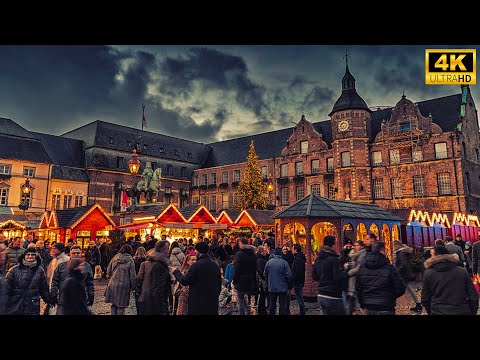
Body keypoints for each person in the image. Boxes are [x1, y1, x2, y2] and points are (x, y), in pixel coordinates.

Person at [421, 245, 478, 315]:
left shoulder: (428, 273)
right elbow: (473, 296)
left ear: (434, 256)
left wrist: (431, 311)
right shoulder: (462, 271)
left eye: (431, 255)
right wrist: (472, 311)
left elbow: (425, 298)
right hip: (461, 310)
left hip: (438, 310)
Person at [171, 241, 222, 315]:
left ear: (199, 251)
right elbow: (219, 284)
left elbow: (184, 280)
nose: (194, 252)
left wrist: (175, 272)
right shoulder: (215, 265)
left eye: (195, 250)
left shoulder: (197, 265)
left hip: (198, 303)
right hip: (212, 303)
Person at [356, 241, 406, 315]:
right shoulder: (389, 268)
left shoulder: (362, 267)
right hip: (386, 306)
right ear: (382, 250)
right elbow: (400, 287)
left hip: (368, 306)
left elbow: (358, 287)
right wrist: (390, 297)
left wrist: (362, 303)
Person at [4, 247, 52, 315]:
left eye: (32, 254)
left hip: (32, 305)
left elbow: (43, 288)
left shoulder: (40, 270)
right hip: (16, 304)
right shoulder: (14, 270)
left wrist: (49, 300)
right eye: (28, 254)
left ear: (36, 256)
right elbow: (6, 287)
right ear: (24, 256)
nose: (30, 256)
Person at [50, 245, 94, 315]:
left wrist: (91, 295)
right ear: (70, 254)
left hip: (80, 298)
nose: (76, 255)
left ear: (81, 253)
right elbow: (55, 282)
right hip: (65, 299)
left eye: (78, 253)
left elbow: (90, 282)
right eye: (73, 253)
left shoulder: (86, 266)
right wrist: (53, 294)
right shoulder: (61, 266)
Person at [313, 235, 348, 315]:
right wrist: (345, 271)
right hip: (333, 294)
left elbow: (314, 276)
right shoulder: (333, 259)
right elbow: (337, 277)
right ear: (333, 245)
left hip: (321, 294)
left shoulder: (318, 259)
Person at [136, 240, 171, 315]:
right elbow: (159, 288)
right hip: (154, 304)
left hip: (148, 301)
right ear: (162, 249)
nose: (168, 251)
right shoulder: (159, 265)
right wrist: (163, 308)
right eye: (167, 248)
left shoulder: (152, 262)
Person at [392, 240, 422, 313]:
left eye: (395, 245)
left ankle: (418, 305)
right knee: (410, 290)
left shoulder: (401, 253)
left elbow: (403, 264)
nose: (394, 247)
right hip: (406, 274)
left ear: (398, 245)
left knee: (408, 290)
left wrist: (396, 271)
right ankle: (418, 304)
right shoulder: (401, 252)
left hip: (405, 275)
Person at [105, 244, 136, 315]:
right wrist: (134, 286)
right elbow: (132, 274)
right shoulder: (130, 259)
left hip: (112, 283)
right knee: (121, 306)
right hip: (124, 285)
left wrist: (110, 277)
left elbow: (108, 270)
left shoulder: (115, 257)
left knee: (114, 305)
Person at [264, 247, 292, 315]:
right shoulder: (284, 263)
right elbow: (289, 275)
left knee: (272, 304)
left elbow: (265, 274)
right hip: (282, 287)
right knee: (282, 305)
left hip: (272, 287)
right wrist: (287, 282)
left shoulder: (269, 262)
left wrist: (269, 280)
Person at [344, 240, 367, 315]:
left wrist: (348, 273)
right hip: (351, 282)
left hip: (358, 280)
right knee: (350, 300)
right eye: (355, 245)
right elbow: (353, 263)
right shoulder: (352, 253)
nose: (355, 247)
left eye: (357, 245)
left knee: (355, 300)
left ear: (361, 246)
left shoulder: (363, 254)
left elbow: (359, 267)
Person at [292, 244, 306, 315]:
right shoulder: (299, 258)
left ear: (296, 250)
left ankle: (302, 311)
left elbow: (298, 272)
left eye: (293, 248)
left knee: (299, 297)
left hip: (298, 281)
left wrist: (294, 279)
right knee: (299, 296)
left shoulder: (298, 259)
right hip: (300, 281)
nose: (292, 250)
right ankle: (302, 310)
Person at [256, 245, 269, 315]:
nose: (266, 252)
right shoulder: (260, 260)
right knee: (262, 296)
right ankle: (261, 311)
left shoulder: (261, 259)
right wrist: (264, 277)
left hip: (262, 280)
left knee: (263, 296)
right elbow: (261, 271)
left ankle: (262, 310)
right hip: (262, 281)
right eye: (264, 251)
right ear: (261, 252)